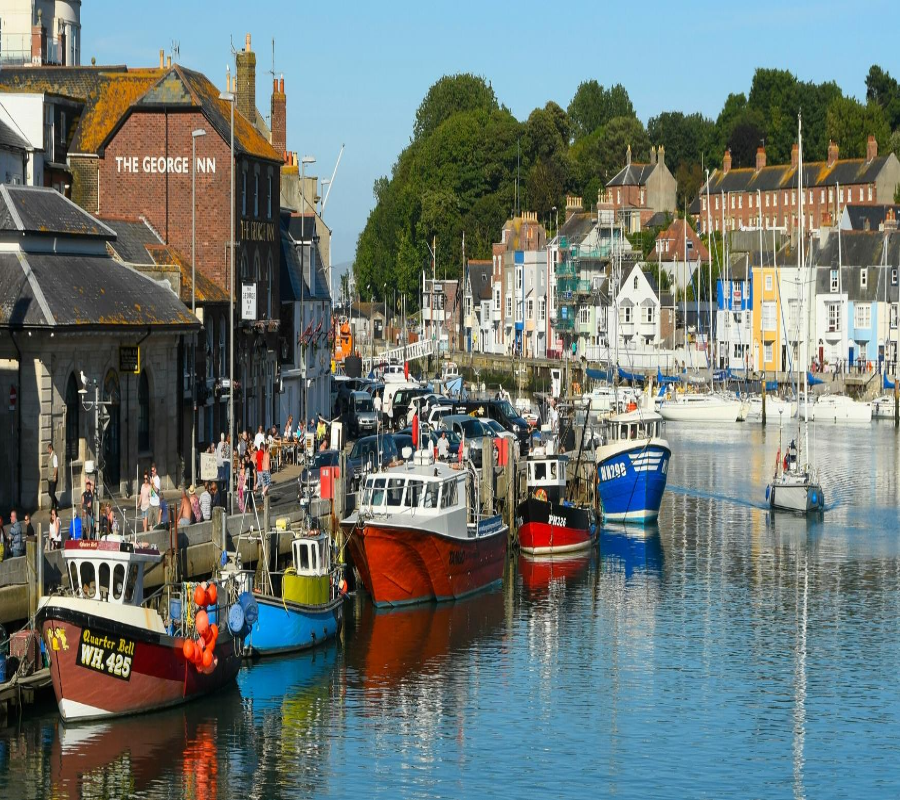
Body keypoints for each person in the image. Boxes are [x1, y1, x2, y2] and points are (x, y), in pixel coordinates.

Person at [148, 463, 161, 529]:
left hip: (156, 504)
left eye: (153, 470)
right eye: (151, 470)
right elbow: (151, 489)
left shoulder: (157, 479)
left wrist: (152, 483)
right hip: (151, 503)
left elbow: (156, 490)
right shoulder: (152, 477)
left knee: (156, 523)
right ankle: (151, 532)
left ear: (155, 470)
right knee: (149, 522)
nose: (152, 472)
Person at [47, 442, 59, 512]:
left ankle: (52, 508)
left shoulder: (54, 456)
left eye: (48, 449)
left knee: (52, 493)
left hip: (53, 477)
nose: (47, 450)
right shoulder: (50, 456)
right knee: (49, 492)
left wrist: (55, 476)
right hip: (49, 477)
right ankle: (56, 502)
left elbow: (55, 467)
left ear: (50, 448)